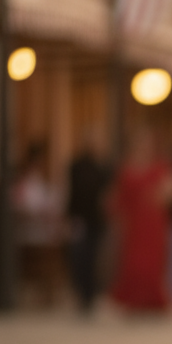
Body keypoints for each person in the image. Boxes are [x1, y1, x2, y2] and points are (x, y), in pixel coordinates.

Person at [110, 128, 172, 312]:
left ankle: (153, 299)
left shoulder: (160, 165)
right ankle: (134, 299)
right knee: (134, 260)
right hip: (134, 223)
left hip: (154, 222)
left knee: (153, 261)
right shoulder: (127, 167)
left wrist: (162, 195)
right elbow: (119, 197)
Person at [13, 141, 64, 306]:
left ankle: (49, 293)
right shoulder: (23, 183)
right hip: (29, 233)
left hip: (42, 231)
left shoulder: (40, 182)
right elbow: (24, 207)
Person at [66, 133, 111, 314]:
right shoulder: (77, 166)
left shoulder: (103, 167)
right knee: (80, 257)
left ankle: (91, 294)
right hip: (81, 218)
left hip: (97, 220)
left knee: (93, 257)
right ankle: (83, 293)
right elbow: (74, 193)